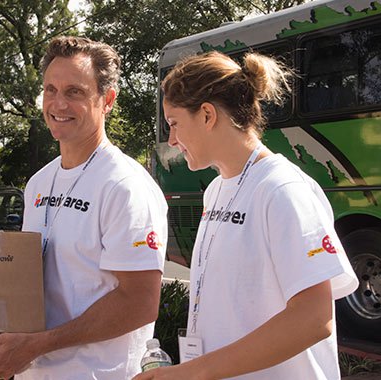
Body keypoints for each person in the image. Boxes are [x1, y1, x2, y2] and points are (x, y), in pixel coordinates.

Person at [0, 36, 168, 380]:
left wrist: (38, 345)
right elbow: (34, 288)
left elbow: (140, 302)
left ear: (107, 100)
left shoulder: (126, 186)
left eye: (74, 92)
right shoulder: (38, 183)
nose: (58, 103)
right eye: (50, 89)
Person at [133, 51, 359, 380]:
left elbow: (314, 319)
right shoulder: (216, 190)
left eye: (174, 124)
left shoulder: (282, 189)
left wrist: (194, 372)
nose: (171, 140)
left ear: (207, 115)